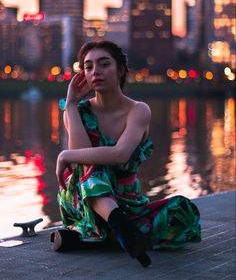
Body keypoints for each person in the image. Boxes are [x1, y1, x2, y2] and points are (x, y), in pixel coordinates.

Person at [51, 41, 201, 267]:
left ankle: (102, 237)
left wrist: (64, 156)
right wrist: (71, 104)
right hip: (84, 200)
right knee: (92, 166)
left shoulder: (138, 110)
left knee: (183, 213)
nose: (95, 72)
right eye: (88, 67)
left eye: (103, 64)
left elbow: (120, 154)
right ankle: (122, 231)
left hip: (127, 203)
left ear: (120, 69)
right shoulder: (76, 112)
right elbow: (81, 159)